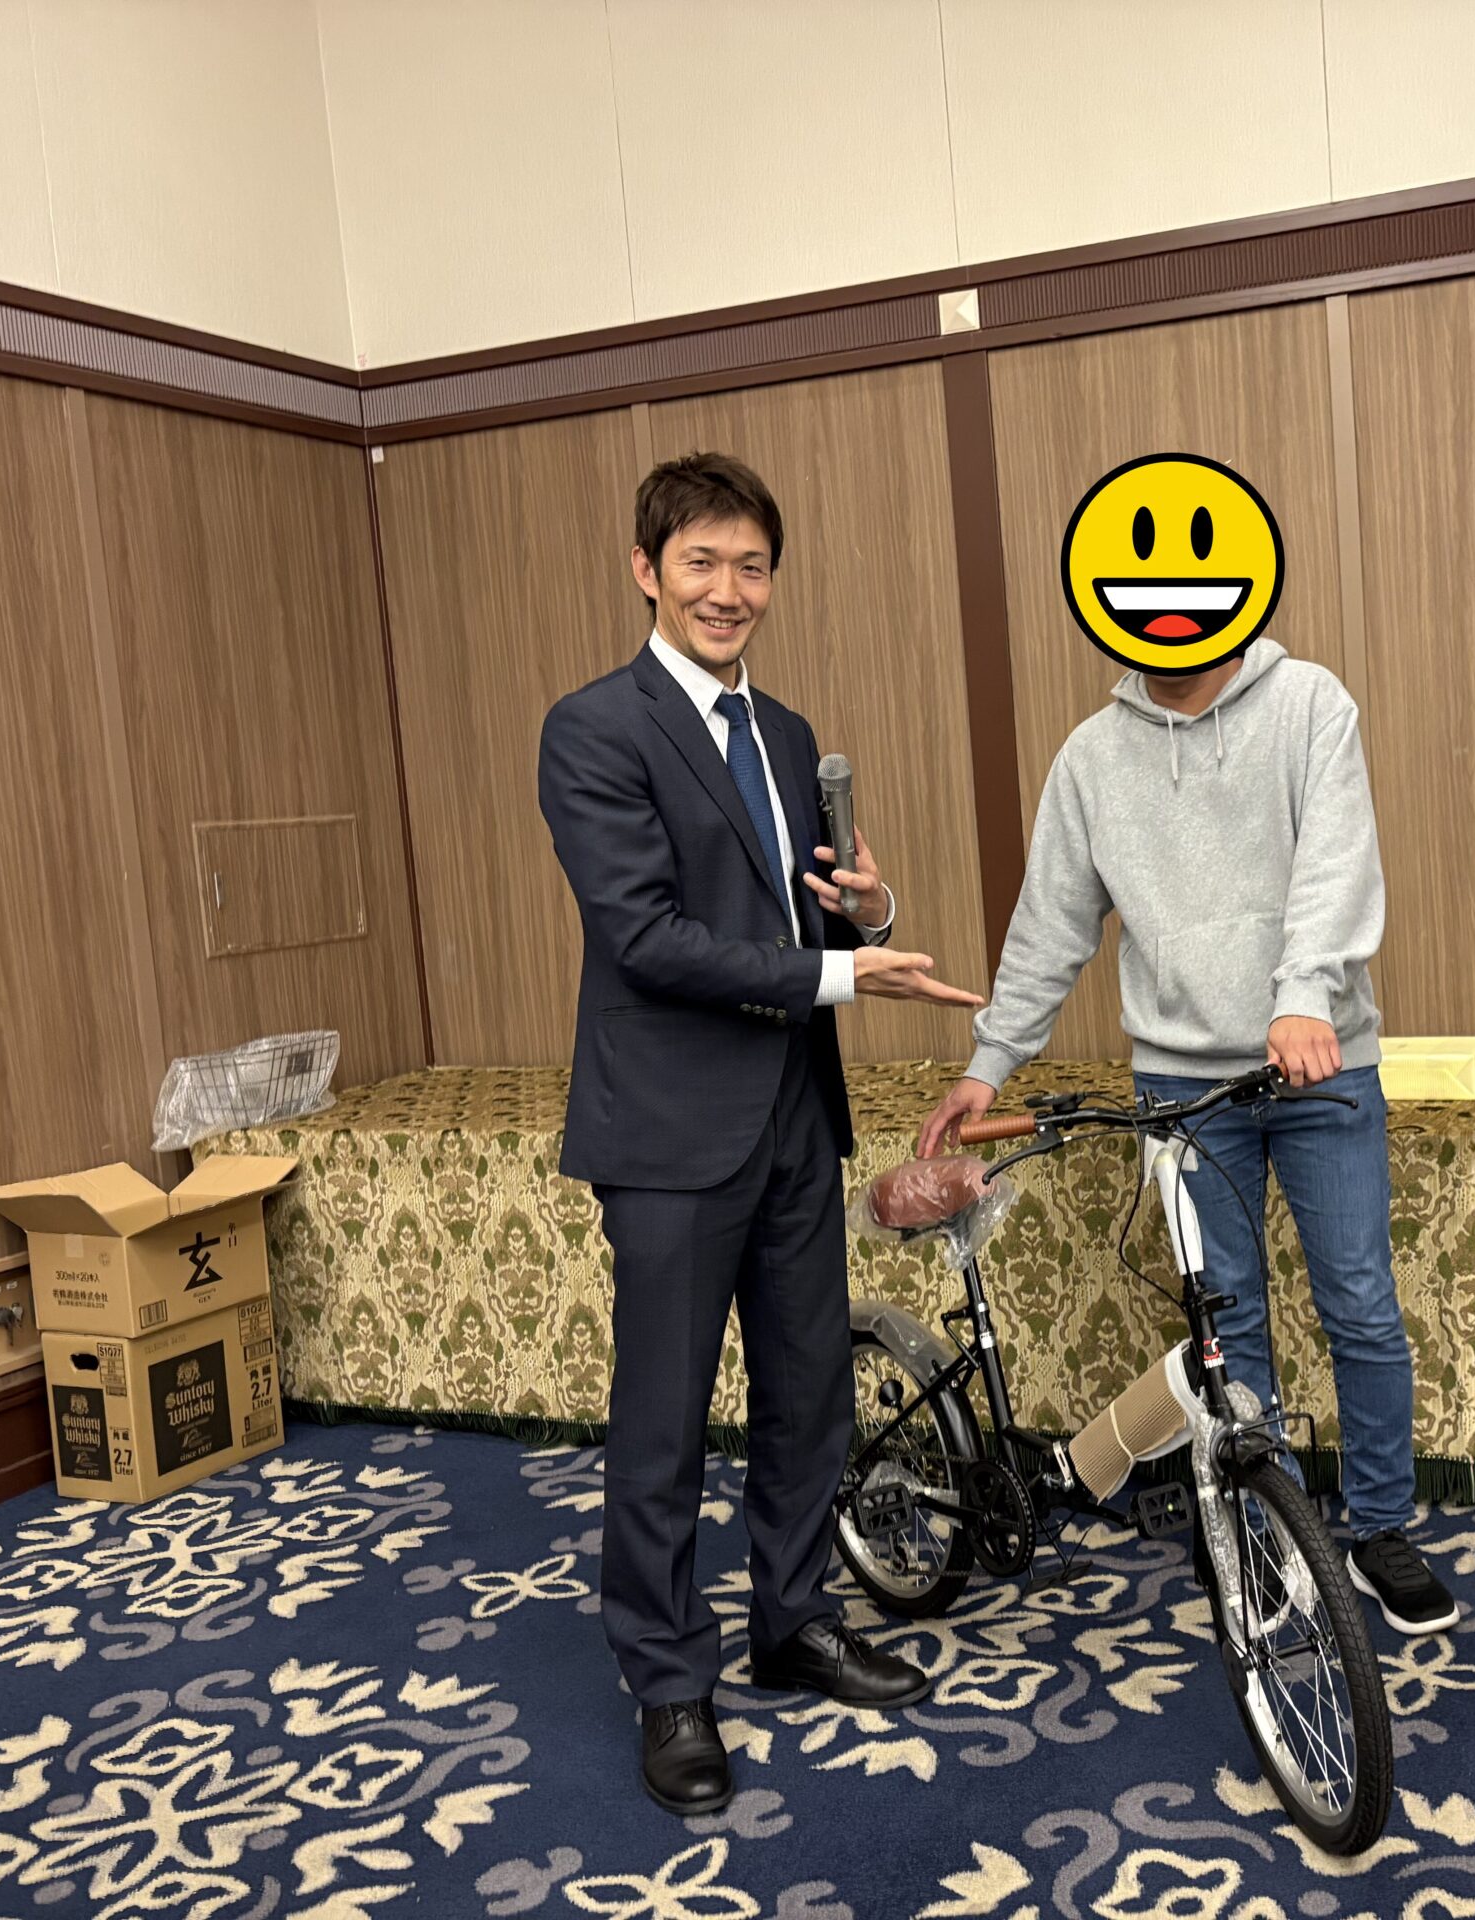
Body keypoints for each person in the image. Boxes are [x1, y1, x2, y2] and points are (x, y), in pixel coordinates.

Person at [540, 452, 984, 1817]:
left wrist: (869, 912)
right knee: (663, 1422)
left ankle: (792, 1621)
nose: (728, 590)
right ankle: (670, 1682)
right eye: (701, 564)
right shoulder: (593, 728)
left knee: (810, 1393)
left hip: (794, 1112)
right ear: (646, 572)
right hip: (670, 1129)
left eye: (751, 566)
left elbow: (804, 912)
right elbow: (647, 938)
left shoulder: (786, 734)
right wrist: (847, 974)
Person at [917, 637, 1459, 1636]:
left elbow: (1337, 863)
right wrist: (987, 1065)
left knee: (1360, 1303)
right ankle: (1267, 1528)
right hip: (1180, 1083)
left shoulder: (1308, 704)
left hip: (1320, 1065)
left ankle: (1381, 1528)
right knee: (1227, 1323)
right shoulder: (1092, 757)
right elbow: (1050, 927)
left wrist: (1303, 996)